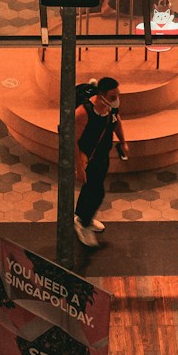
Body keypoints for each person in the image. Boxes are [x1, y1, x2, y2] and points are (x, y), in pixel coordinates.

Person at [72, 77, 128, 247]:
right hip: (88, 158)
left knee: (92, 188)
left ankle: (82, 217)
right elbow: (72, 141)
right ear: (101, 95)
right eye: (112, 97)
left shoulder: (110, 108)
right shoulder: (84, 113)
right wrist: (79, 167)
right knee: (97, 192)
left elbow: (116, 122)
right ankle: (84, 223)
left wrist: (123, 142)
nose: (116, 100)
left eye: (117, 96)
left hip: (103, 154)